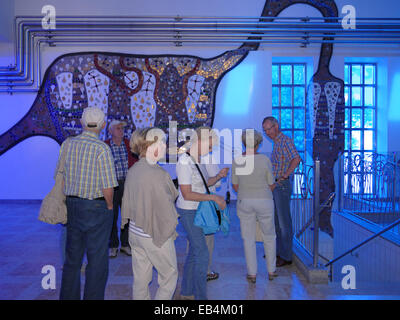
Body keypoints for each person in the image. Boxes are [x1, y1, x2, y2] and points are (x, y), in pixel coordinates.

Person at [59, 107, 118, 300]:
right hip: (96, 207)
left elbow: (63, 176)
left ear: (82, 123)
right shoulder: (102, 148)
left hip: (72, 205)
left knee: (72, 260)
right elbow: (108, 186)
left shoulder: (68, 144)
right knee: (97, 260)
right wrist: (109, 207)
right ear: (102, 125)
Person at [121, 127, 179, 300]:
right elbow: (166, 209)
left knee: (140, 278)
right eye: (161, 142)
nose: (164, 145)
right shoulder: (159, 174)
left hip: (135, 233)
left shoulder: (134, 170)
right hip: (154, 235)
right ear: (151, 145)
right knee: (169, 276)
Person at [176, 126, 228, 300]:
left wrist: (219, 176)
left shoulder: (197, 159)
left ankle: (187, 292)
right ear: (200, 141)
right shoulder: (184, 161)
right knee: (202, 253)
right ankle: (200, 298)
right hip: (188, 210)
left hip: (196, 209)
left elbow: (206, 183)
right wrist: (214, 198)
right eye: (210, 146)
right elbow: (187, 194)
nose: (211, 150)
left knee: (194, 252)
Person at [232, 129, 278, 282]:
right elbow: (271, 183)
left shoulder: (237, 160)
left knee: (248, 238)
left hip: (245, 201)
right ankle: (271, 271)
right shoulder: (265, 160)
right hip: (264, 200)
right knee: (269, 236)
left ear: (244, 143)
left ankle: (252, 274)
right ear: (258, 143)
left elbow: (235, 186)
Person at [262, 116, 301, 267]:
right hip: (277, 185)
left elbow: (296, 159)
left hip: (282, 186)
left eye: (269, 129)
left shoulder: (285, 140)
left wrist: (285, 175)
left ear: (276, 126)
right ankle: (278, 253)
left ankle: (286, 256)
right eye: (265, 130)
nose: (268, 132)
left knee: (284, 223)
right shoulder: (277, 142)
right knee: (277, 222)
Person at [105, 120, 138, 258]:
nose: (121, 130)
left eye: (122, 128)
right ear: (110, 131)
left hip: (128, 184)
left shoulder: (129, 144)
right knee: (111, 217)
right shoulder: (105, 146)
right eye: (117, 128)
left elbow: (136, 162)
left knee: (127, 215)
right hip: (112, 186)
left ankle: (125, 244)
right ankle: (112, 245)